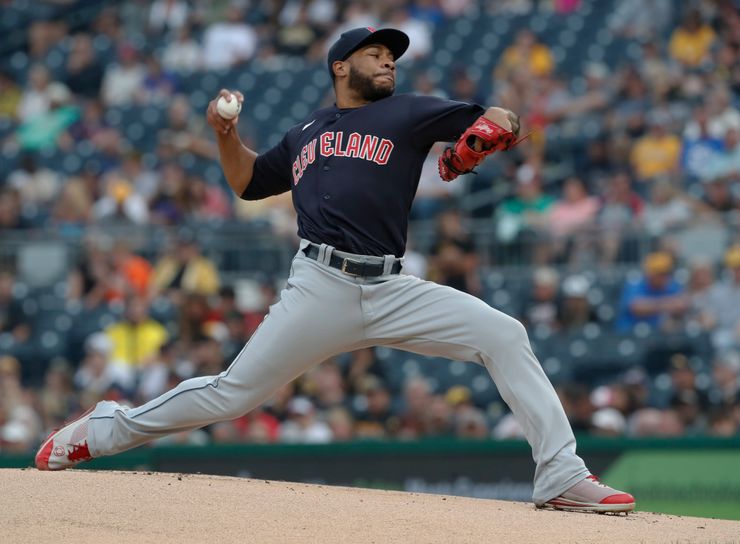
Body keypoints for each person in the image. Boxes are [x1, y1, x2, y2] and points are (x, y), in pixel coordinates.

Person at [35, 27, 634, 514]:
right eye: (375, 53)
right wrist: (225, 135)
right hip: (320, 285)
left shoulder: (408, 115)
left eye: (392, 55)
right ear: (340, 67)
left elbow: (505, 117)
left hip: (392, 285)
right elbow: (246, 182)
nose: (388, 63)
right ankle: (104, 428)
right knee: (231, 394)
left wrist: (474, 142)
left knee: (505, 334)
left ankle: (560, 474)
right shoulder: (306, 132)